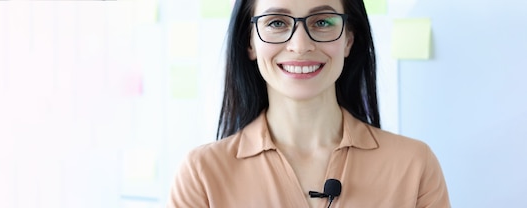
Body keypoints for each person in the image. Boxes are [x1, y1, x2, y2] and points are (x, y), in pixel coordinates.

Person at [168, 0, 451, 207]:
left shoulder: (414, 165)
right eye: (277, 23)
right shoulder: (202, 174)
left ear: (349, 40)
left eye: (323, 22)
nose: (300, 45)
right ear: (250, 42)